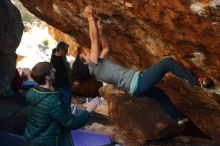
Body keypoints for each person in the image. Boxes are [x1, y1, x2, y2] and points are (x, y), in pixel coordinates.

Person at [72, 6, 214, 122]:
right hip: (138, 82)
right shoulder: (93, 65)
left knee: (160, 95)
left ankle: (178, 117)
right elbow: (93, 39)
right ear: (84, 61)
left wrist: (102, 31)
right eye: (86, 53)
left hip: (135, 90)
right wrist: (89, 17)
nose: (89, 50)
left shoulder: (98, 66)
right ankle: (197, 81)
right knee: (168, 62)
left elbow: (106, 48)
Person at [24, 62, 101, 146]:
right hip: (47, 142)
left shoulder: (32, 92)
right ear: (47, 77)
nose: (55, 71)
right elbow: (71, 123)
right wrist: (88, 110)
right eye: (52, 70)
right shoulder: (51, 100)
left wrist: (78, 107)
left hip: (31, 139)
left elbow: (51, 115)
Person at [50, 41, 72, 109]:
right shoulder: (56, 61)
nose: (66, 52)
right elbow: (58, 73)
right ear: (60, 50)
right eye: (65, 50)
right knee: (65, 103)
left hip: (63, 84)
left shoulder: (59, 55)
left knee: (64, 101)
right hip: (61, 85)